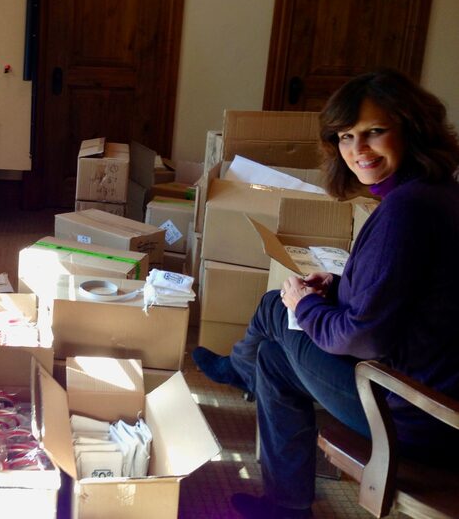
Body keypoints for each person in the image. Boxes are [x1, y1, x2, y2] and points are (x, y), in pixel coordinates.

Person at [192, 68, 459, 518]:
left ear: (412, 128)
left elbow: (361, 338)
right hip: (438, 404)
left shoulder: (406, 210)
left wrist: (306, 303)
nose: (358, 150)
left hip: (414, 413)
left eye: (374, 132)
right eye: (345, 137)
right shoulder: (440, 193)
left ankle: (237, 372)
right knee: (274, 359)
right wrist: (336, 287)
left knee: (277, 308)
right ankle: (285, 502)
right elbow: (407, 296)